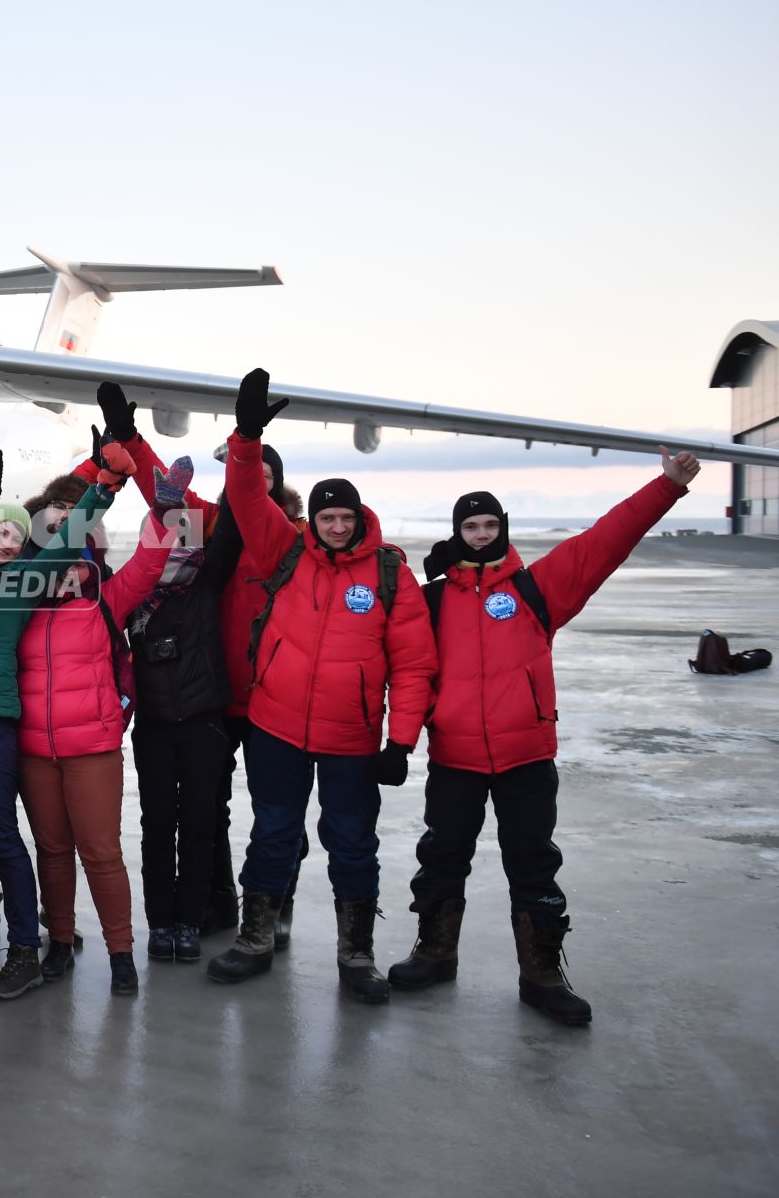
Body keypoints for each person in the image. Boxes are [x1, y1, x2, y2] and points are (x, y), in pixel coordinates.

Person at [387, 452, 699, 1025]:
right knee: (441, 856)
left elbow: (605, 540)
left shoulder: (537, 590)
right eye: (470, 527)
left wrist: (667, 487)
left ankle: (542, 974)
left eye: (489, 526)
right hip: (455, 756)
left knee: (533, 863)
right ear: (456, 534)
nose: (481, 535)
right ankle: (434, 953)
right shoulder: (432, 601)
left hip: (526, 756)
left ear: (503, 530)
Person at [206, 369, 437, 1003]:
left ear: (360, 518)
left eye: (345, 517)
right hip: (276, 726)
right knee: (274, 833)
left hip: (352, 740)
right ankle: (255, 940)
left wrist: (402, 740)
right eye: (327, 517)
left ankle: (355, 956)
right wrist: (247, 438)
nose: (336, 527)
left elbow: (415, 664)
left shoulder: (391, 576)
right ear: (314, 518)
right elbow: (249, 501)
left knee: (352, 843)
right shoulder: (285, 552)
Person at [97, 381, 308, 945]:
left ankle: (274, 903)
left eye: (266, 480)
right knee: (204, 811)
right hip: (209, 692)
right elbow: (164, 495)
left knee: (275, 809)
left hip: (264, 694)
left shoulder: (293, 541)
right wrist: (129, 439)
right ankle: (213, 905)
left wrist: (248, 441)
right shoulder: (210, 528)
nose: (254, 488)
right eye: (250, 478)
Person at [0, 469, 113, 999]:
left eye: (13, 534)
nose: (3, 543)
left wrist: (100, 488)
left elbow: (65, 543)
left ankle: (23, 951)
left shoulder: (22, 582)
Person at [16, 439, 168, 996]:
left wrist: (165, 508)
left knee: (101, 852)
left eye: (70, 529)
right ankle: (59, 940)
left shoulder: (107, 595)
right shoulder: (19, 598)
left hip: (93, 748)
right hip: (34, 749)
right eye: (49, 529)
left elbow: (154, 558)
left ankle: (121, 953)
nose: (60, 538)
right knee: (52, 852)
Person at [124, 456, 234, 967]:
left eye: (183, 534)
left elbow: (232, 526)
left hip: (202, 721)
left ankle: (189, 921)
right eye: (167, 535)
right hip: (154, 727)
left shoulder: (207, 583)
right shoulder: (136, 593)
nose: (175, 545)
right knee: (156, 825)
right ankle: (161, 923)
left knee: (197, 823)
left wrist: (240, 460)